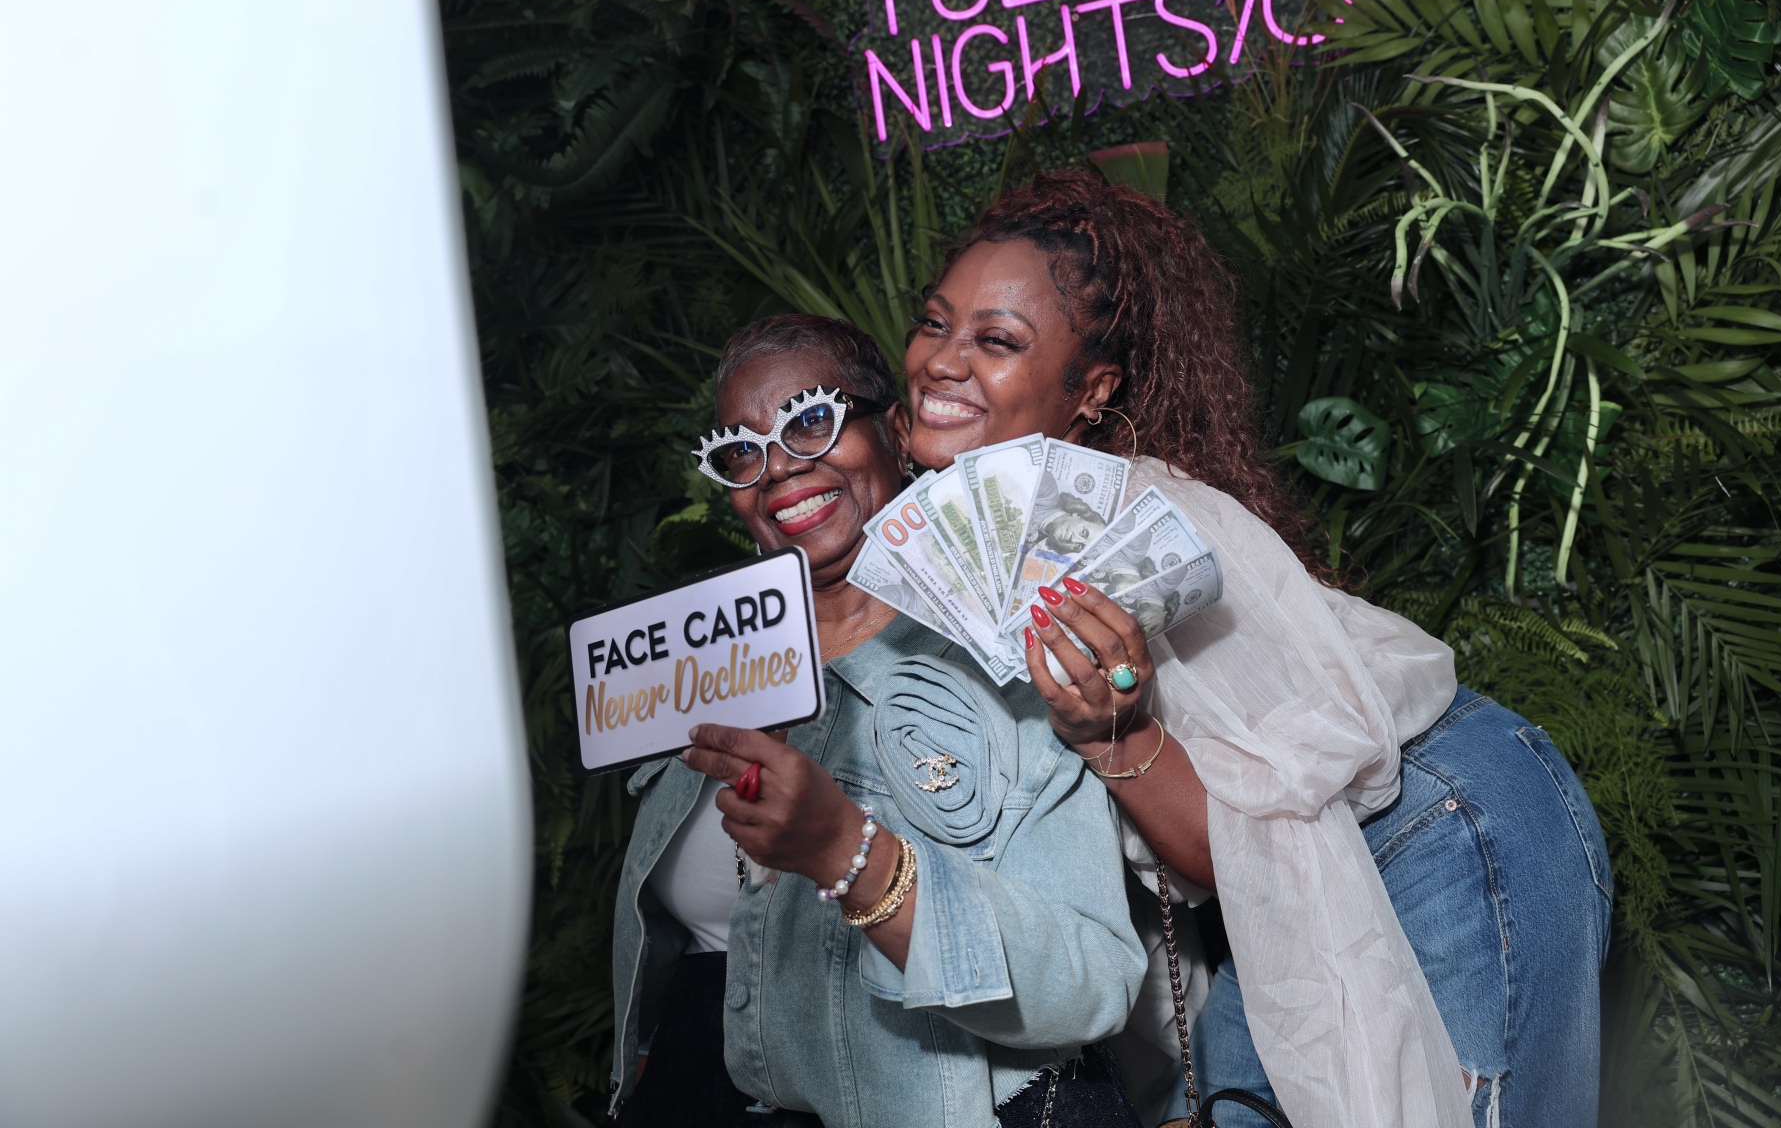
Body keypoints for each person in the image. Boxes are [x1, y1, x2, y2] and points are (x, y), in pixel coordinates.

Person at [902, 172, 1612, 1128]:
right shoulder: (982, 543)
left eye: (996, 341)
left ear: (1093, 390)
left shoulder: (1138, 517)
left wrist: (1113, 735)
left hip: (1435, 823)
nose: (943, 361)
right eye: (934, 323)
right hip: (1290, 885)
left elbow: (1240, 830)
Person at [609, 313, 1149, 1128]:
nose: (778, 467)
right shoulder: (703, 663)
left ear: (895, 432)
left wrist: (848, 853)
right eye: (740, 453)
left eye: (810, 421)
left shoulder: (1013, 662)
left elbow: (1091, 985)